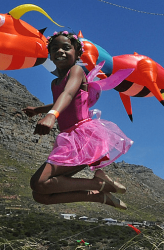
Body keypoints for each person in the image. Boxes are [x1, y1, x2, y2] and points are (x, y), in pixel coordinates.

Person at [23, 31, 133, 210]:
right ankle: (98, 196)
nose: (60, 51)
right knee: (40, 195)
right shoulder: (55, 83)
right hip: (68, 138)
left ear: (77, 54)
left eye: (66, 48)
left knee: (39, 183)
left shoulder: (77, 70)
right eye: (55, 48)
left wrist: (51, 115)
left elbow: (68, 93)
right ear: (49, 55)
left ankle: (99, 185)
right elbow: (67, 97)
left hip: (83, 137)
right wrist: (39, 110)